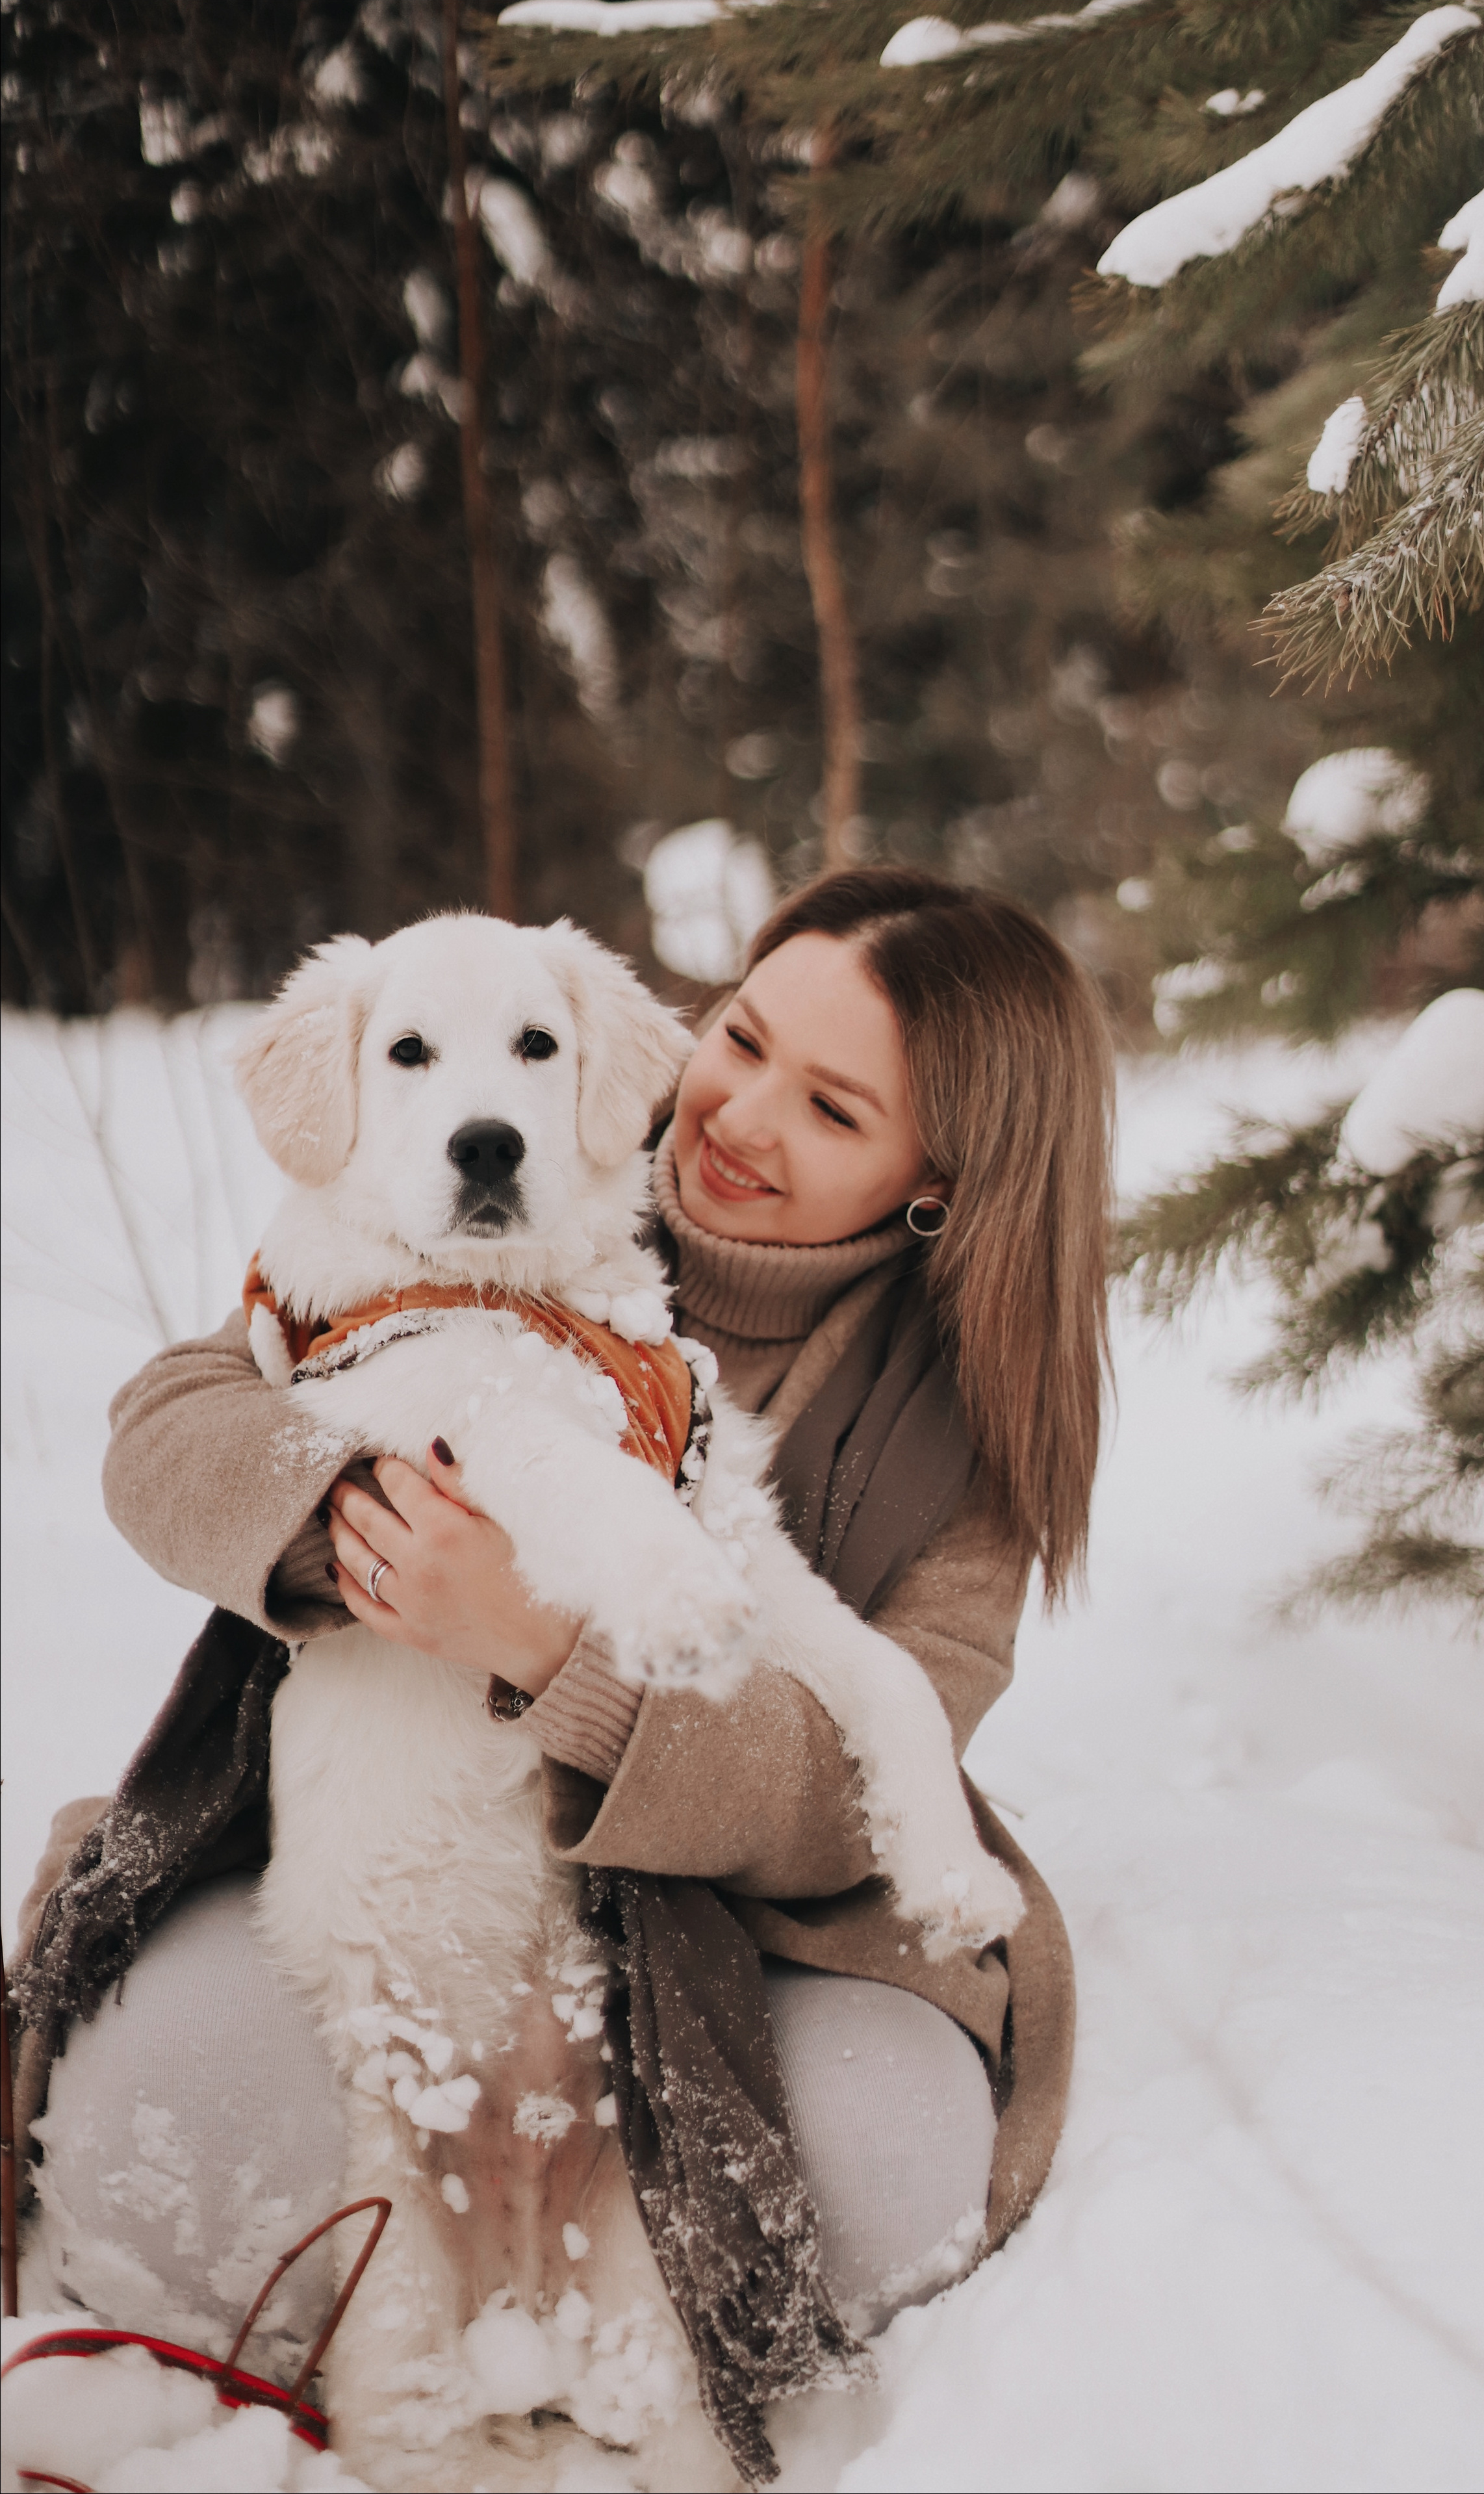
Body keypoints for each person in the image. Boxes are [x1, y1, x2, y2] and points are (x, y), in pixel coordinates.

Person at [14, 866, 1112, 2383]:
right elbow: (174, 1422)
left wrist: (549, 1650)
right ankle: (384, 2331)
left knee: (878, 2169)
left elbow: (823, 1803)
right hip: (412, 1857)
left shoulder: (961, 1438)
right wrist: (369, 1527)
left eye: (831, 1109)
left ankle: (614, 2344)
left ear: (938, 1177)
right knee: (155, 2110)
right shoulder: (524, 1152)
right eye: (743, 1039)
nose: (736, 1117)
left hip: (744, 1930)